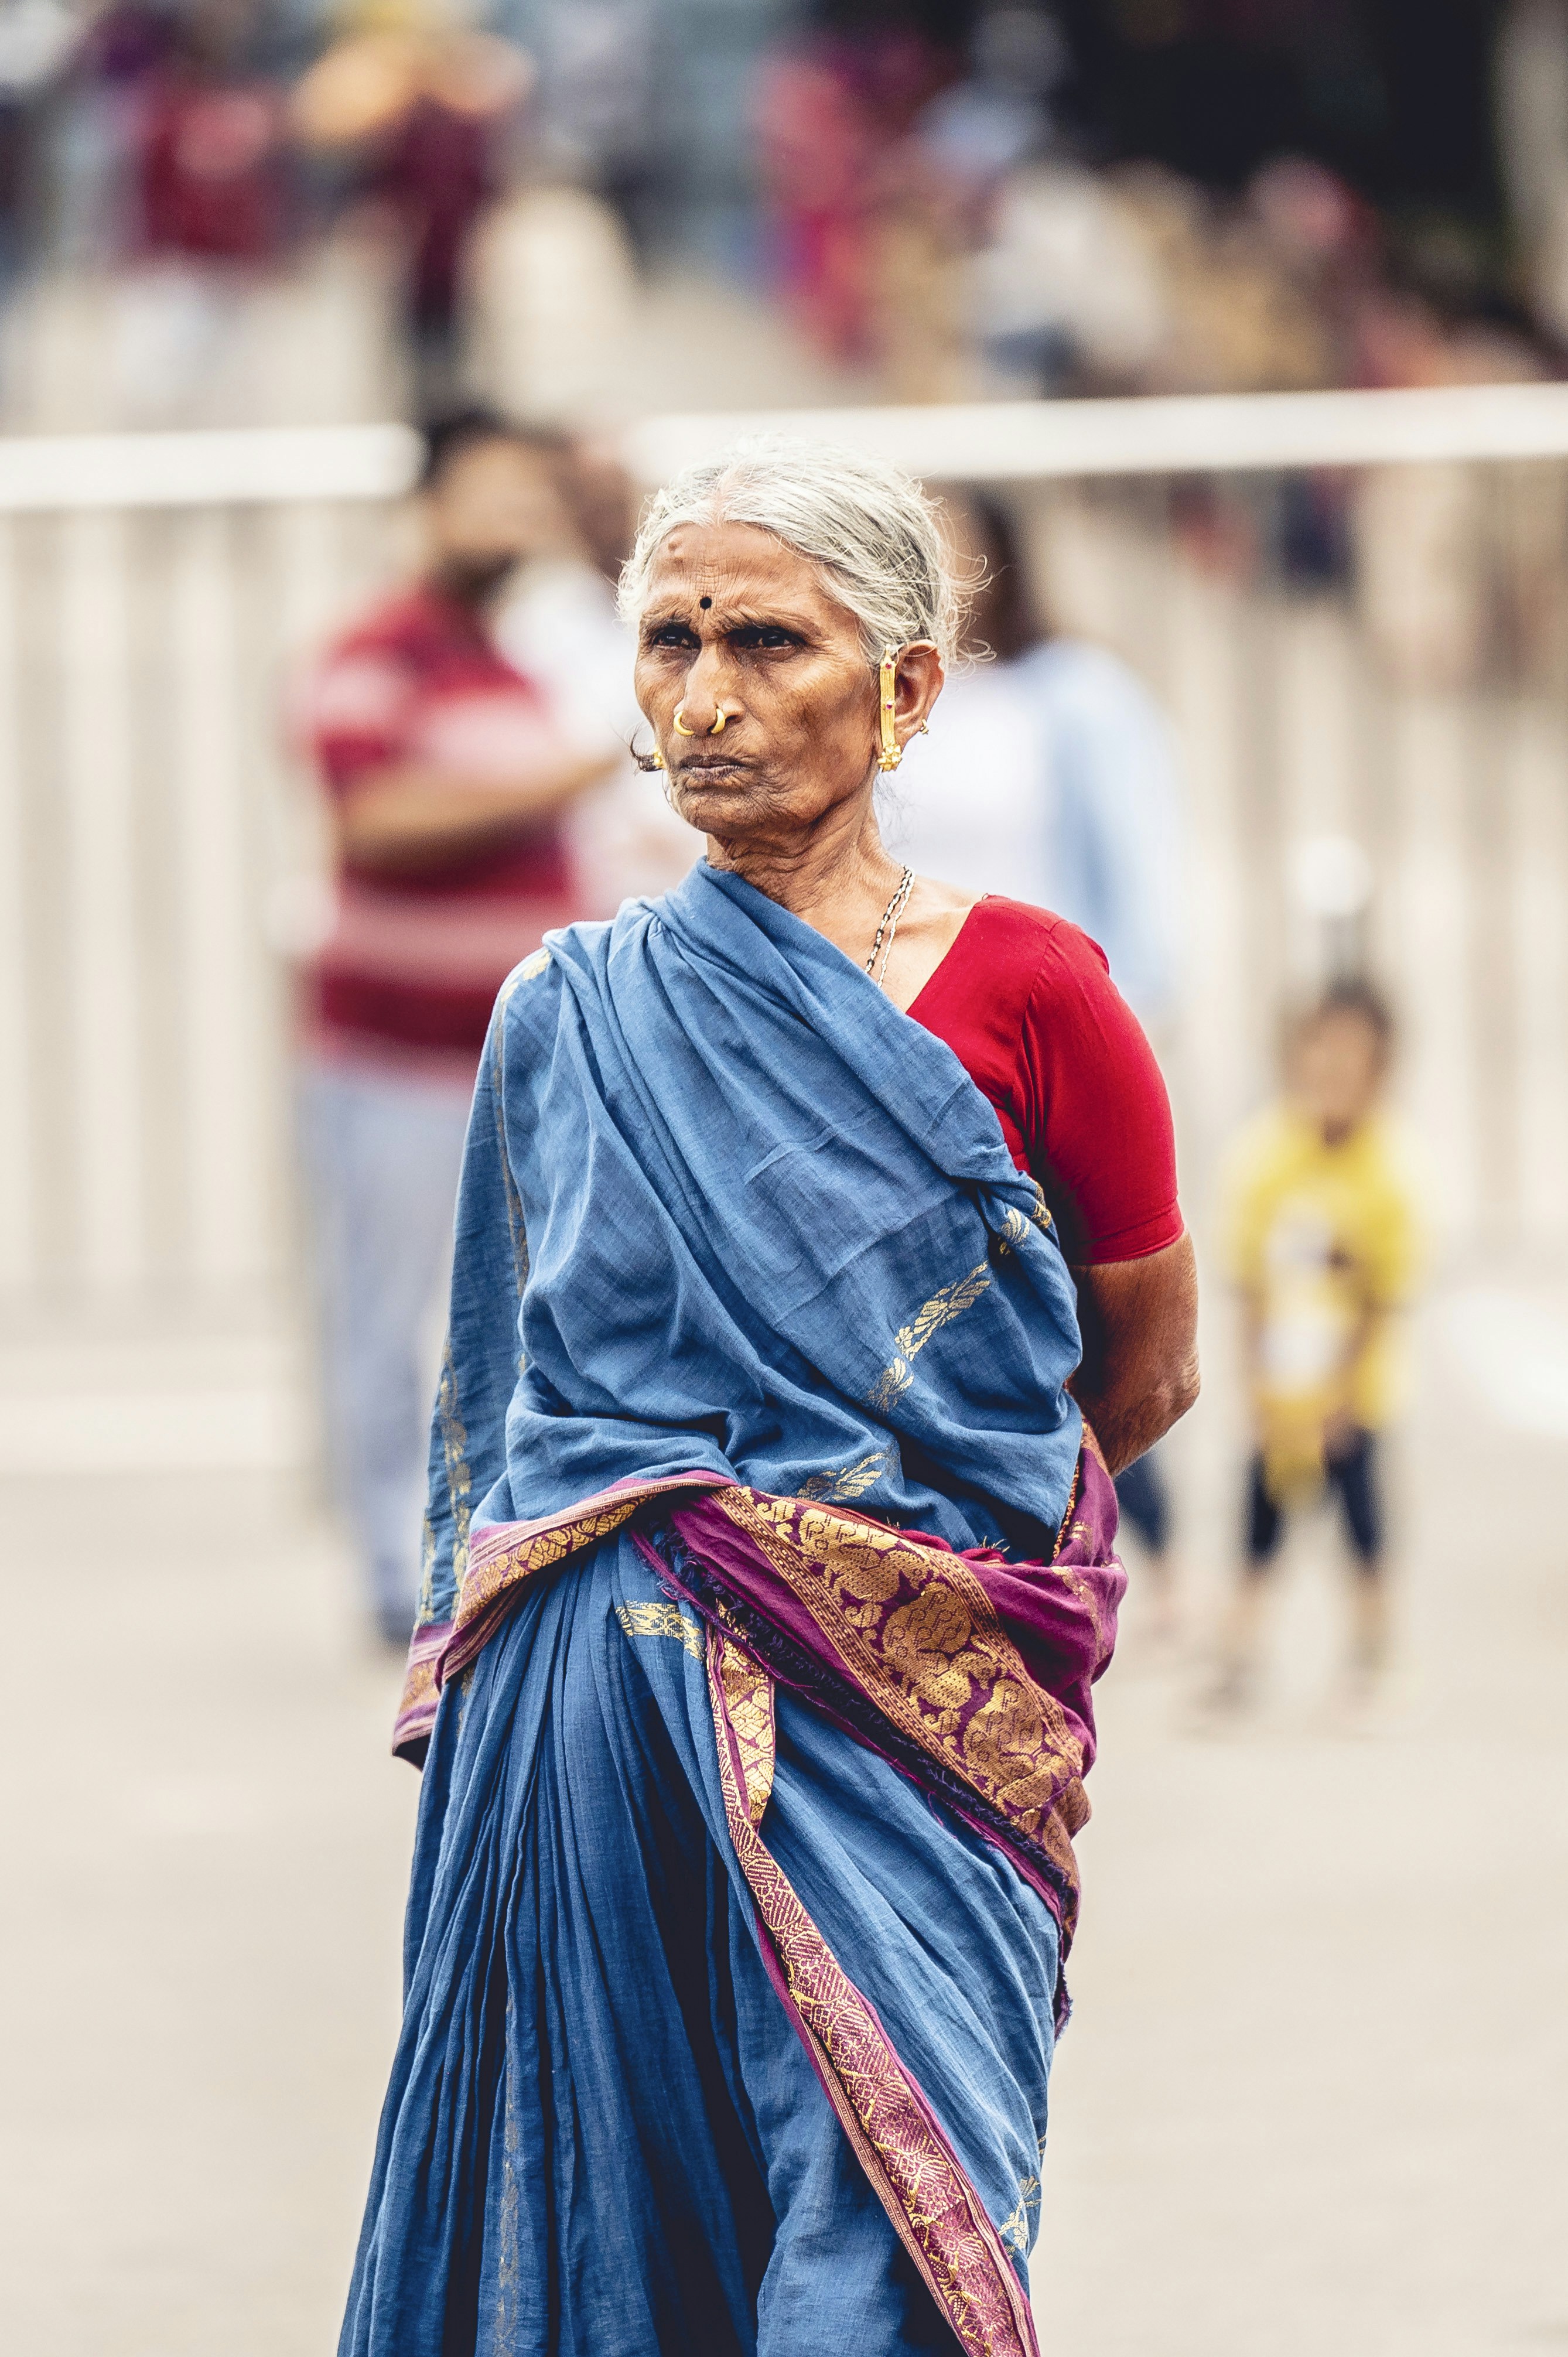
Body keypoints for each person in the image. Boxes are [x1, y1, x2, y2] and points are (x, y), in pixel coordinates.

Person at [340, 437, 1199, 2355]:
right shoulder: (567, 1010)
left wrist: (879, 1567)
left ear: (906, 687)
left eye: (769, 643)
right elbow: (503, 1397)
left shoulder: (1031, 994)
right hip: (595, 1711)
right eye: (669, 641)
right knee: (615, 2247)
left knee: (882, 2232)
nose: (706, 695)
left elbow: (1140, 1365)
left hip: (902, 1718)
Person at [297, 407, 612, 1647]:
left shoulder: (521, 663)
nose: (512, 519)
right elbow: (373, 818)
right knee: (388, 1318)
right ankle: (392, 1570)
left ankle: (492, 1551)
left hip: (515, 1059)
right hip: (397, 1052)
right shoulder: (375, 652)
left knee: (528, 1314)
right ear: (427, 502)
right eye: (489, 491)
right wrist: (573, 774)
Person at [893, 491, 1184, 1619]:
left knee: (1092, 1303)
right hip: (909, 1059)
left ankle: (1123, 1538)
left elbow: (1142, 874)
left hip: (1042, 1052)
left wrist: (1129, 1036)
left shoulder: (1073, 695)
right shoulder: (869, 699)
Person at [1215, 979, 1419, 1706]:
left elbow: (1381, 1298)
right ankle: (1238, 1654)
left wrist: (1342, 1396)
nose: (1332, 1073)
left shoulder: (1387, 1174)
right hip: (1282, 1389)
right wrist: (1257, 1386)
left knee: (1363, 1527)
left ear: (1380, 1073)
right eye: (1319, 1054)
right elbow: (1251, 1287)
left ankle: (1371, 1656)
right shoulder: (1268, 1156)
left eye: (1352, 1061)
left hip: (1351, 1395)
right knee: (1257, 1525)